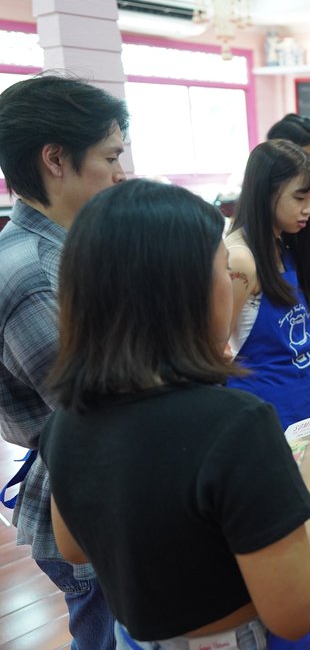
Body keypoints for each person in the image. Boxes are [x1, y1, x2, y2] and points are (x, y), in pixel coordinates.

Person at [38, 179, 310, 649]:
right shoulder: (236, 423)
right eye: (224, 267)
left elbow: (74, 546)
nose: (232, 281)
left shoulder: (68, 417)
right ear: (187, 291)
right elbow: (294, 612)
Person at [0, 74, 128, 648]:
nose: (120, 173)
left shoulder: (71, 247)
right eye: (110, 157)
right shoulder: (33, 275)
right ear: (56, 159)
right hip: (85, 503)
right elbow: (103, 414)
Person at [226, 140, 310, 431]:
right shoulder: (240, 259)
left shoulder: (283, 244)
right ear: (266, 192)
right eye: (299, 198)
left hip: (298, 397)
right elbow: (213, 348)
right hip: (260, 408)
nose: (308, 209)